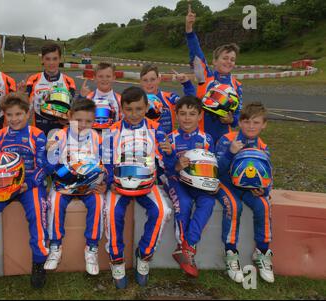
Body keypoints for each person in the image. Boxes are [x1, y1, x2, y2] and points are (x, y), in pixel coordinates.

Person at [0, 92, 49, 290]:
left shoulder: (37, 134)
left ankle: (39, 262)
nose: (14, 119)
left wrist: (29, 184)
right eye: (10, 115)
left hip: (28, 185)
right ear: (4, 115)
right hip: (2, 186)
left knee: (38, 212)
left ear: (28, 113)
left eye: (18, 114)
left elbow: (44, 166)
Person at [104, 86, 173, 289]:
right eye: (129, 109)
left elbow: (165, 163)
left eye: (139, 109)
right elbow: (106, 161)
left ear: (146, 108)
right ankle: (116, 259)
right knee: (111, 211)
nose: (134, 114)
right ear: (122, 109)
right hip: (119, 184)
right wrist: (110, 182)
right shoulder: (112, 131)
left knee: (162, 211)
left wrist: (168, 154)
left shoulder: (156, 129)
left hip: (147, 183)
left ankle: (144, 255)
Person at [44, 98, 106, 275]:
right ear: (70, 116)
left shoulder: (97, 138)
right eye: (78, 120)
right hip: (65, 184)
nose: (83, 125)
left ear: (94, 121)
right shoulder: (58, 136)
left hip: (89, 186)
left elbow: (106, 165)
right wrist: (51, 152)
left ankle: (92, 248)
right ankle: (55, 246)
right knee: (55, 201)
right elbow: (49, 167)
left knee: (99, 202)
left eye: (88, 121)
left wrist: (104, 183)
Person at [216, 102, 274, 284]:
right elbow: (216, 170)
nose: (251, 126)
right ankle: (231, 253)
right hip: (226, 185)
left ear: (264, 125)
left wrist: (263, 190)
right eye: (247, 122)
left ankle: (262, 252)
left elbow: (267, 176)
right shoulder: (227, 139)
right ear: (239, 122)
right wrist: (230, 153)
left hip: (249, 190)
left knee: (264, 205)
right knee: (234, 206)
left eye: (256, 123)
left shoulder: (263, 147)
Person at [160, 96, 216, 278]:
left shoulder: (207, 139)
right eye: (182, 114)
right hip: (175, 179)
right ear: (176, 115)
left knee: (207, 202)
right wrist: (175, 165)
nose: (187, 118)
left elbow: (214, 166)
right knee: (183, 203)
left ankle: (187, 246)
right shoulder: (170, 139)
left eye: (192, 114)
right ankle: (184, 246)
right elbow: (163, 168)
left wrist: (215, 184)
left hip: (199, 183)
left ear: (200, 116)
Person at [185, 5, 243, 144]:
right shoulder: (205, 78)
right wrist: (189, 29)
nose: (228, 62)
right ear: (215, 61)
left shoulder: (237, 85)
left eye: (232, 59)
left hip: (224, 138)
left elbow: (238, 114)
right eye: (225, 58)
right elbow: (196, 53)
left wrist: (231, 120)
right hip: (201, 137)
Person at [22, 43, 77, 136]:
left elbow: (72, 109)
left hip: (60, 130)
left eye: (55, 59)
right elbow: (25, 107)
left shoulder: (69, 81)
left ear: (60, 59)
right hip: (38, 129)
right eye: (47, 59)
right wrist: (21, 94)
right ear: (42, 59)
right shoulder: (33, 79)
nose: (51, 63)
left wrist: (67, 119)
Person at [140, 64, 195, 135]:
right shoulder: (135, 101)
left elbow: (190, 104)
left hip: (166, 144)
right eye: (145, 80)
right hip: (144, 143)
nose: (149, 83)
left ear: (158, 80)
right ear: (140, 82)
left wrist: (187, 84)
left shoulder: (169, 98)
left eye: (152, 79)